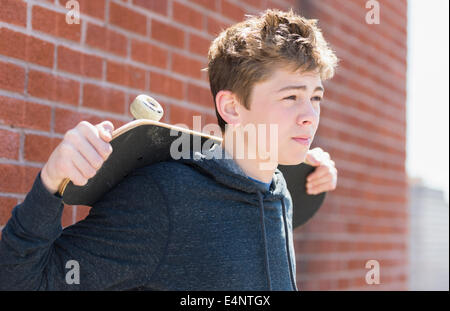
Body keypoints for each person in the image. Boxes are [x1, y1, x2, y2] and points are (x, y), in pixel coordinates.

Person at [0, 8, 338, 290]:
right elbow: (23, 282)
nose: (310, 116)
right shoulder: (164, 199)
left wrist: (304, 167)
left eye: (316, 97)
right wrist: (51, 182)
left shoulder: (280, 193)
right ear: (232, 108)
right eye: (291, 97)